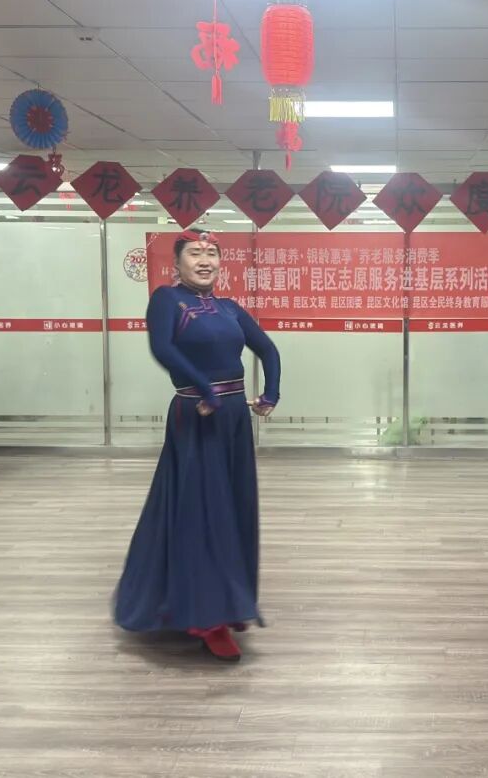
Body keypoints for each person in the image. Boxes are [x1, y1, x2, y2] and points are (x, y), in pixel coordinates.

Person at [114, 229, 280, 662]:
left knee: (232, 510)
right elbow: (163, 349)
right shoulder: (167, 300)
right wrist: (205, 389)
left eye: (212, 253)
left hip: (234, 419)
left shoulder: (229, 308)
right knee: (201, 513)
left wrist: (271, 393)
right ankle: (207, 619)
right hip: (197, 415)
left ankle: (227, 603)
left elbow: (267, 349)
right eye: (195, 253)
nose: (205, 260)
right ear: (177, 263)